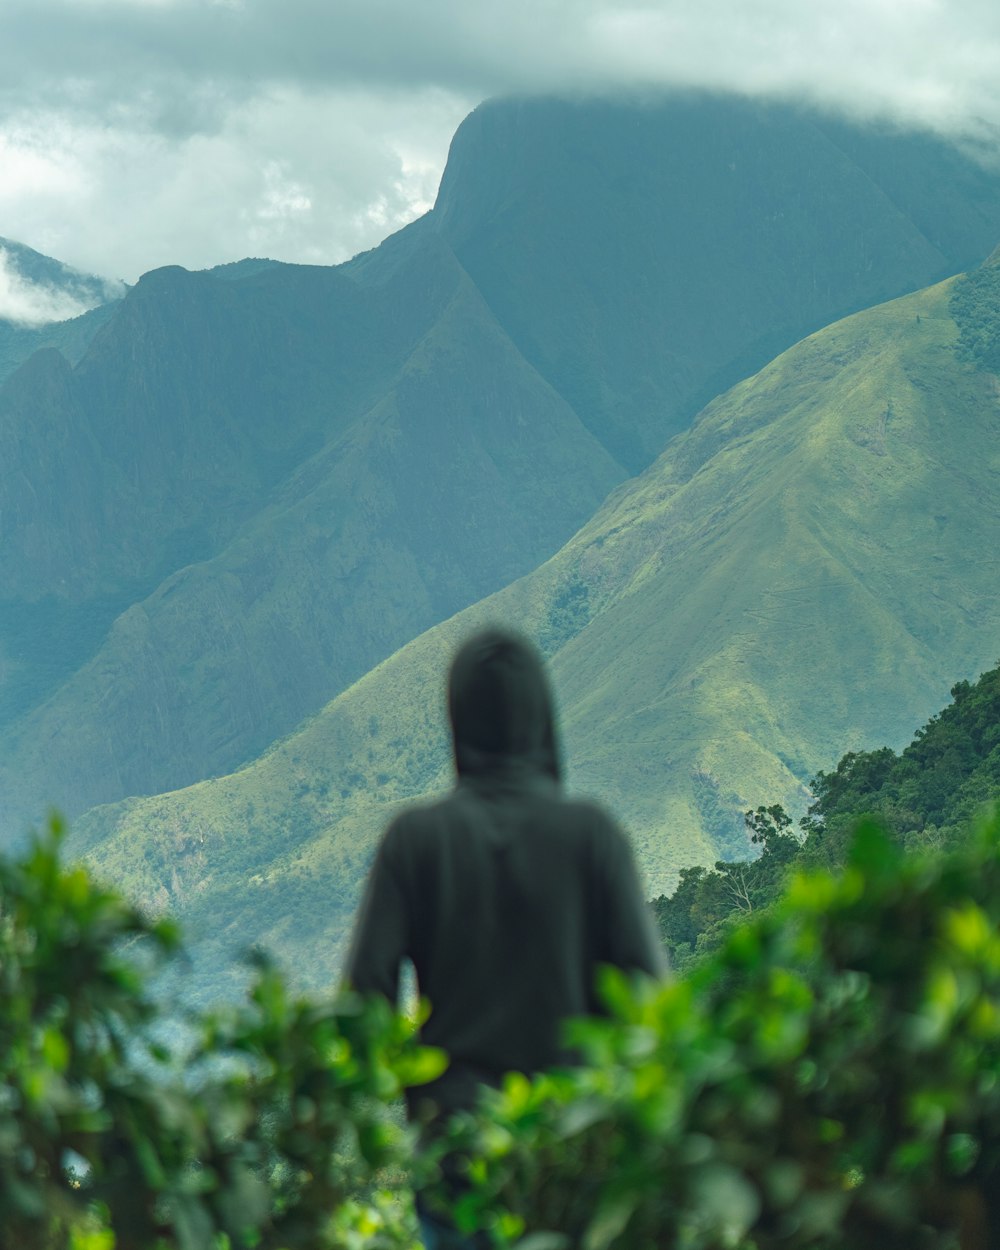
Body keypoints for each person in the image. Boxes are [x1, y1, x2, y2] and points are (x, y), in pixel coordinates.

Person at [344, 627, 667, 1249]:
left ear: (458, 720)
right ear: (542, 717)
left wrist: (416, 1097)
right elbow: (650, 1000)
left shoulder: (414, 841)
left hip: (455, 1160)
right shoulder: (591, 836)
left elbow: (362, 1003)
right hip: (574, 1157)